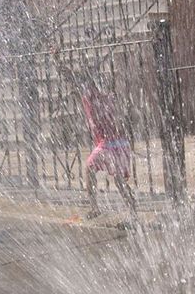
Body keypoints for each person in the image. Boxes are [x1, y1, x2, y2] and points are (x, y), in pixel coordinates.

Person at [53, 51, 138, 219]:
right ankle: (133, 213)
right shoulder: (109, 97)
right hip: (121, 144)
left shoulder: (90, 95)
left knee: (89, 168)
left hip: (108, 144)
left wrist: (56, 60)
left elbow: (69, 76)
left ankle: (94, 207)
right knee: (120, 181)